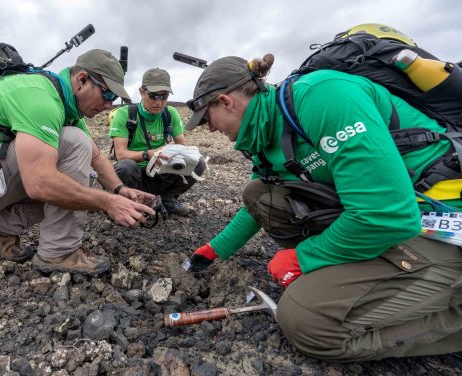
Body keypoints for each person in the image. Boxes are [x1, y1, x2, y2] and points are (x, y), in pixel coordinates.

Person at [183, 54, 462, 361]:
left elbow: (388, 215)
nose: (209, 130)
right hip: (382, 216)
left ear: (226, 102)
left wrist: (304, 257)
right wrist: (214, 249)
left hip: (439, 221)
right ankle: (350, 272)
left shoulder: (323, 97)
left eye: (207, 120)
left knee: (307, 325)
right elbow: (256, 206)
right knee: (261, 194)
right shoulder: (266, 132)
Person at [0, 49, 155, 275]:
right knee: (73, 149)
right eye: (106, 94)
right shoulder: (41, 98)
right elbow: (40, 184)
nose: (109, 105)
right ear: (82, 80)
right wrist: (108, 203)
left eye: (113, 98)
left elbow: (96, 156)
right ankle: (59, 253)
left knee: (77, 179)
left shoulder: (67, 105)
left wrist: (120, 190)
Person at [108, 68, 205, 216]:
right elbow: (121, 154)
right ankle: (133, 203)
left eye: (164, 96)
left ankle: (169, 198)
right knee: (125, 166)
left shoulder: (170, 113)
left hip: (162, 171)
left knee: (197, 162)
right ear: (141, 92)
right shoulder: (124, 114)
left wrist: (173, 152)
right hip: (136, 175)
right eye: (153, 96)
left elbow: (182, 146)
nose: (158, 102)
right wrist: (150, 154)